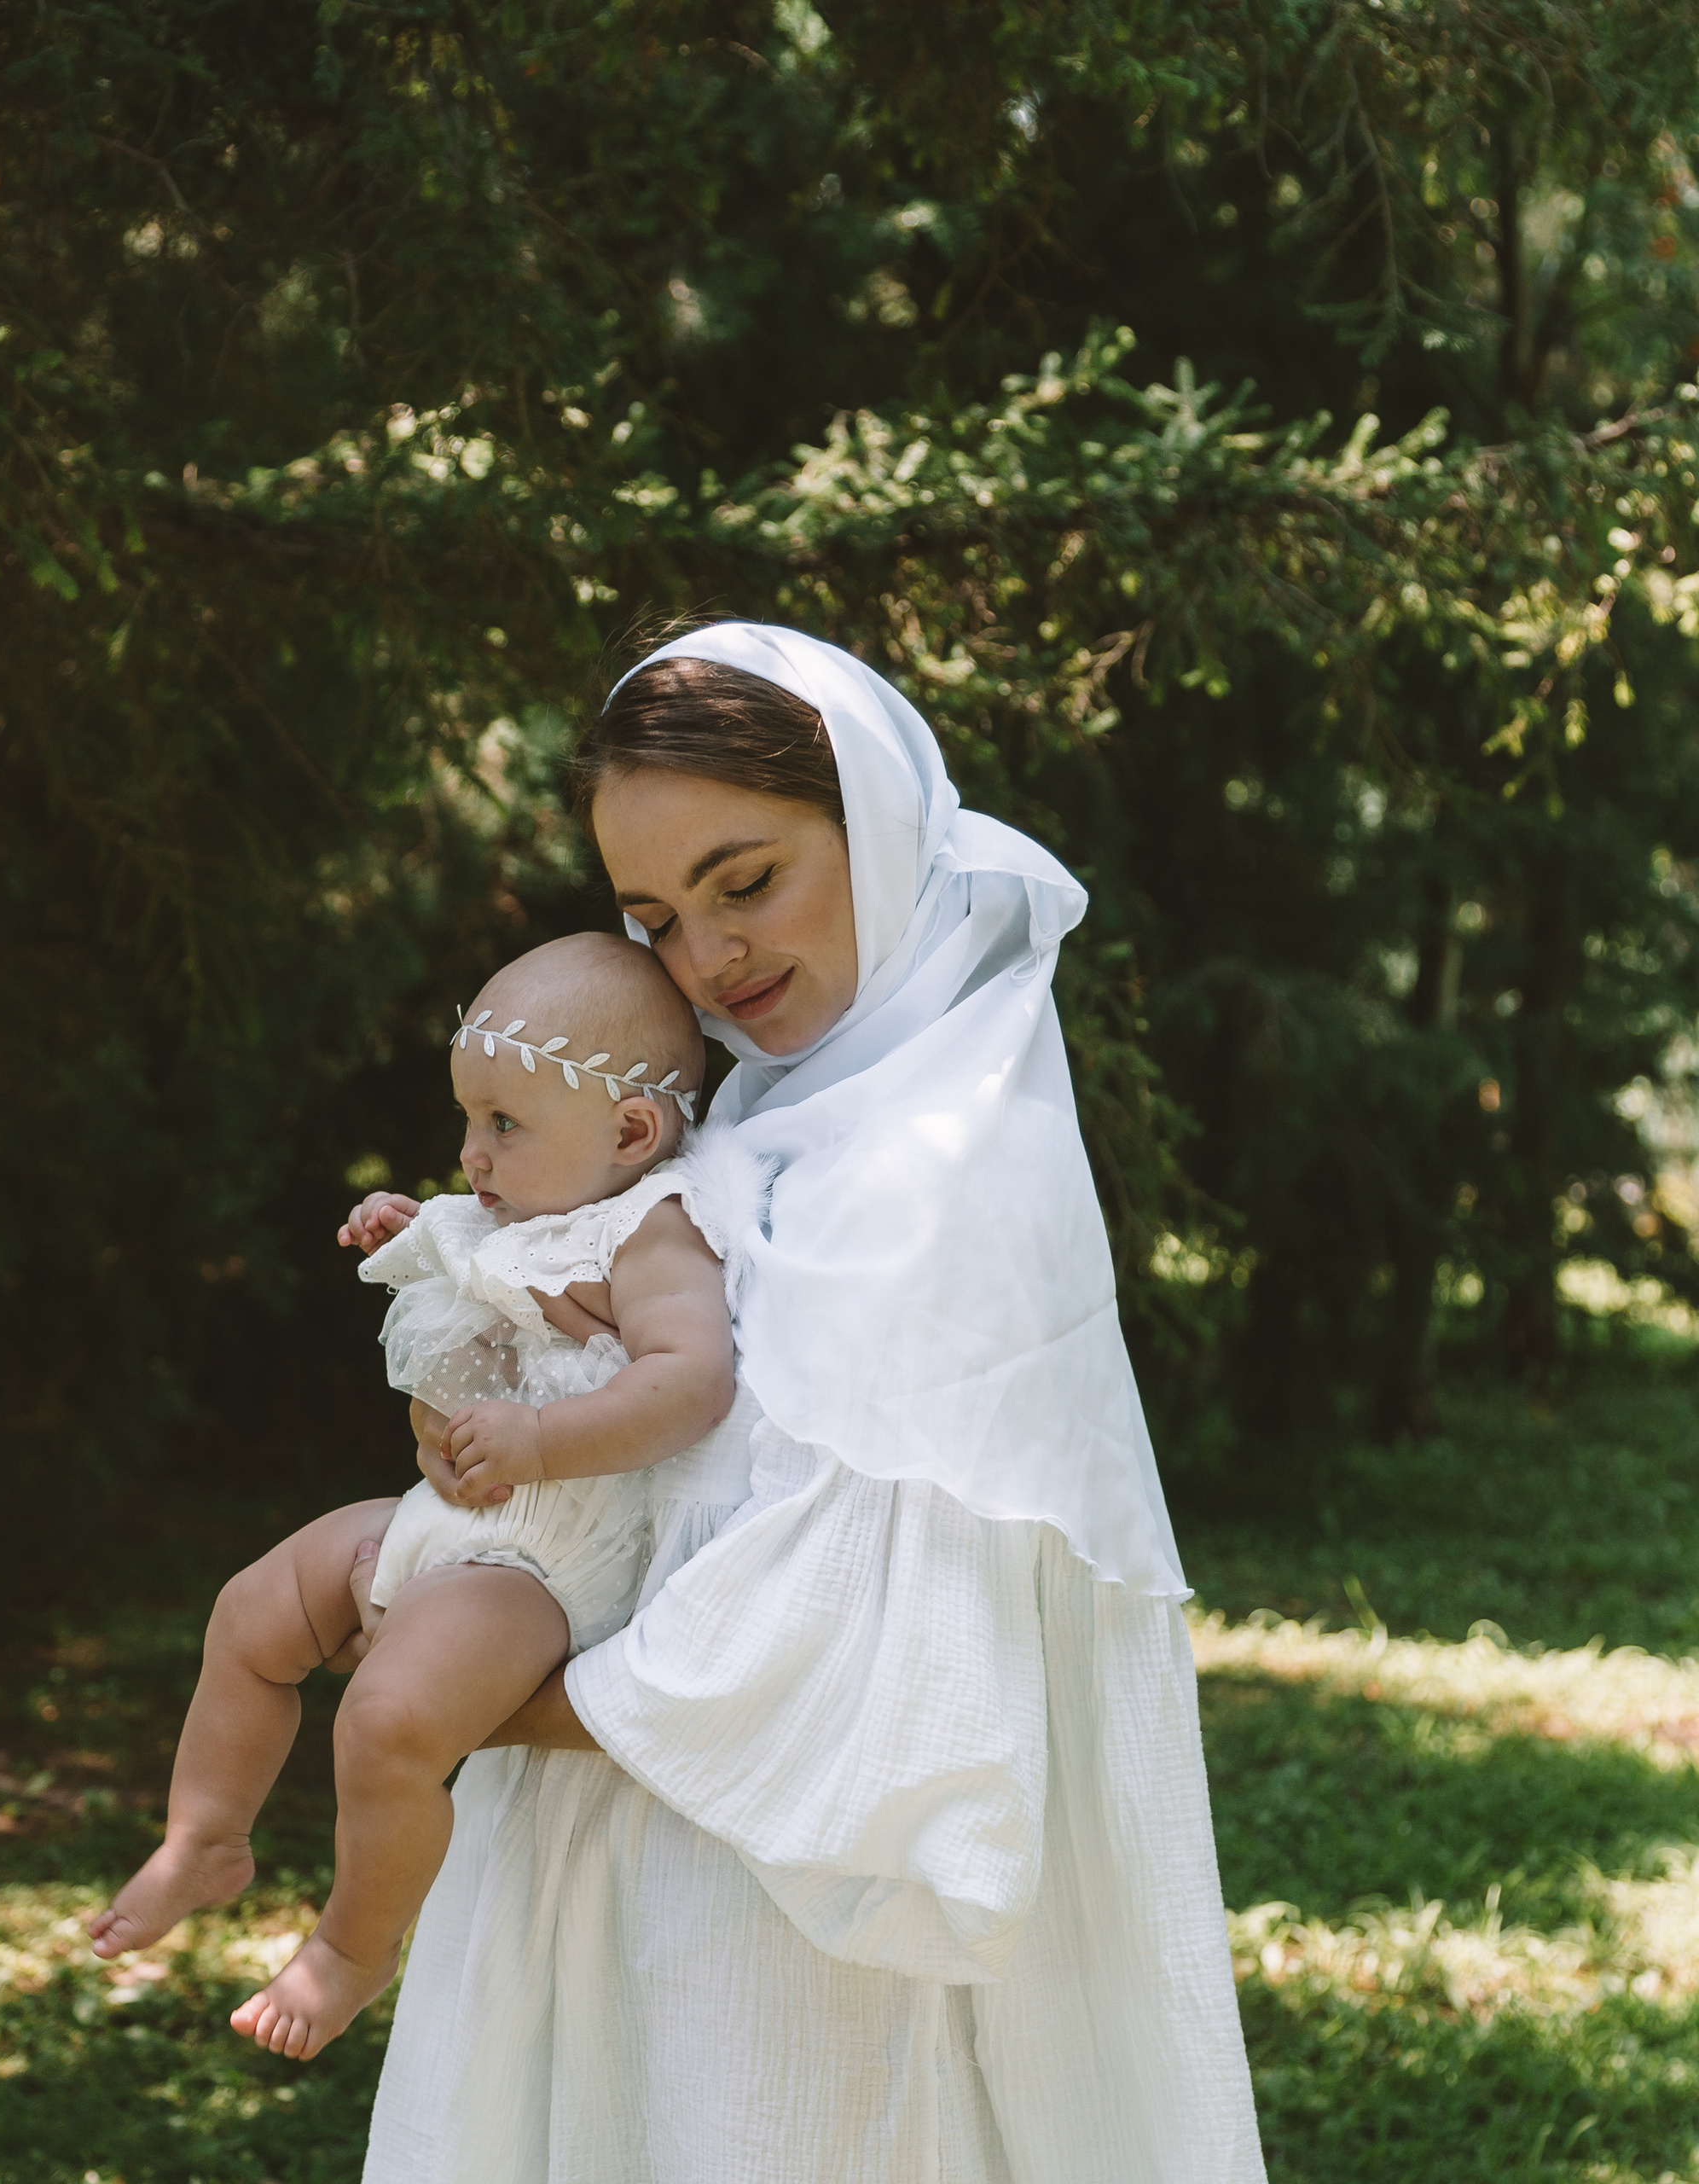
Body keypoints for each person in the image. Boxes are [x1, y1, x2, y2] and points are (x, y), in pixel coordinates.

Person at [361, 624, 1267, 2182]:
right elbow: (548, 1453)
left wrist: (458, 1690)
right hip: (597, 1864)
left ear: (881, 830)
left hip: (790, 1930)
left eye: (747, 879)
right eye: (654, 914)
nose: (708, 959)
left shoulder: (945, 1167)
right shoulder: (718, 1141)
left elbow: (864, 1646)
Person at [89, 932, 754, 2061]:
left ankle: (351, 1950)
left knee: (388, 1721)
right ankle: (205, 1836)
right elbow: (468, 1319)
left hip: (544, 1563)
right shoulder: (516, 1214)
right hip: (450, 1525)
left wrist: (541, 1439)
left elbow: (689, 1382)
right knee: (252, 1612)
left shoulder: (648, 1232)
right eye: (467, 1119)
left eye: (504, 1125)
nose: (471, 1154)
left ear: (631, 1132)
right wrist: (421, 1236)